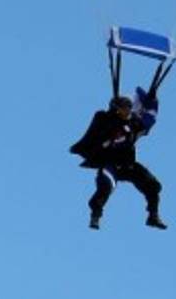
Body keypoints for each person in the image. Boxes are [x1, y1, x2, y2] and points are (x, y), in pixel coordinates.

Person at [70, 87, 166, 230]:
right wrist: (111, 118)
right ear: (116, 110)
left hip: (128, 165)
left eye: (129, 108)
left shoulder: (134, 124)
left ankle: (153, 216)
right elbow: (100, 122)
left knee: (153, 186)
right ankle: (95, 215)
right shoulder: (105, 122)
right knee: (105, 186)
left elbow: (149, 118)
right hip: (110, 164)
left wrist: (151, 100)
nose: (128, 111)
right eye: (124, 108)